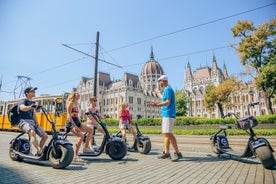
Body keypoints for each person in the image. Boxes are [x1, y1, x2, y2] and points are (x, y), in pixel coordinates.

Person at [149, 75, 183, 162]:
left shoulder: (168, 89)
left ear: (163, 81)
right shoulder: (167, 90)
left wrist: (156, 105)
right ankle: (167, 153)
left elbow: (167, 102)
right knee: (166, 134)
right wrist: (158, 93)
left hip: (168, 114)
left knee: (168, 133)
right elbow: (163, 98)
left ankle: (177, 153)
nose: (159, 83)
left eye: (159, 81)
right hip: (167, 114)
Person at [18, 86, 48, 156]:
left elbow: (33, 114)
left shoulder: (33, 102)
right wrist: (30, 107)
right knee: (32, 132)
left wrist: (36, 122)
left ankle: (38, 153)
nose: (34, 92)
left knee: (45, 136)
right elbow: (22, 108)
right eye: (32, 91)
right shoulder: (23, 101)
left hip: (32, 122)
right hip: (23, 121)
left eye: (34, 91)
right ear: (27, 93)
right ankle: (39, 150)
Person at [65, 89, 94, 162]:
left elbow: (77, 115)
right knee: (81, 136)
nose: (79, 94)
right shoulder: (70, 103)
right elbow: (69, 115)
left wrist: (80, 123)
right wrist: (74, 126)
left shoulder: (76, 104)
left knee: (90, 130)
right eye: (77, 93)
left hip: (77, 121)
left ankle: (86, 147)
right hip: (71, 122)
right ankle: (75, 155)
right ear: (74, 95)